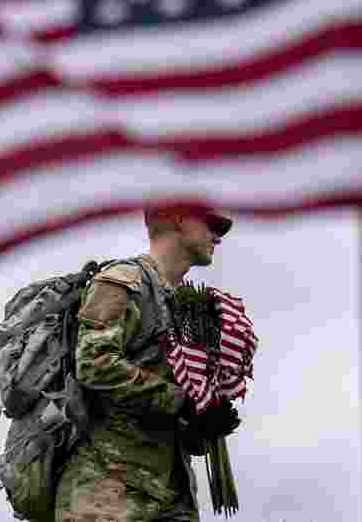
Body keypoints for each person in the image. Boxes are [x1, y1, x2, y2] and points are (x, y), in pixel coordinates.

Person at [54, 205, 237, 522]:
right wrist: (180, 402)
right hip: (109, 494)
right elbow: (95, 363)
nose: (218, 236)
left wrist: (204, 422)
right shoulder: (123, 281)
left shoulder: (189, 307)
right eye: (210, 224)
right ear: (178, 218)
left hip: (172, 495)